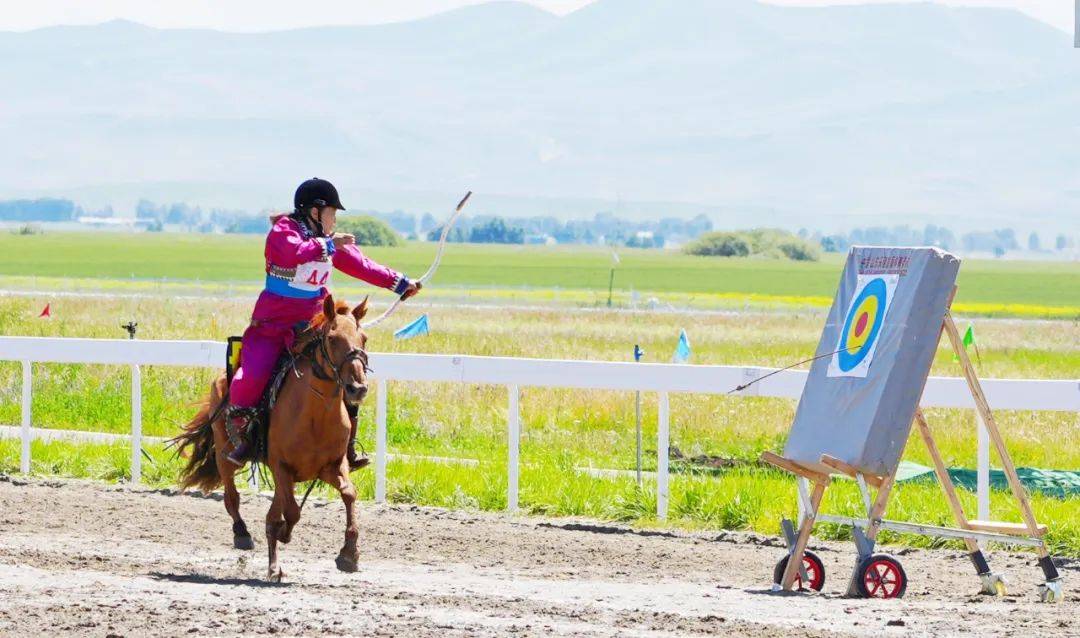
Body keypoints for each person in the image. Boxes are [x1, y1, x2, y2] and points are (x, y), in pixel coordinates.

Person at [225, 177, 420, 467]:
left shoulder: (328, 241)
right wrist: (329, 244)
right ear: (315, 212)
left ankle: (347, 444)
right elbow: (294, 254)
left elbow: (362, 266)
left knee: (346, 368)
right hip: (272, 327)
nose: (335, 219)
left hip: (313, 325)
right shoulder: (284, 231)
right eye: (333, 212)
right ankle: (246, 436)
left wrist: (400, 283)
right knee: (251, 378)